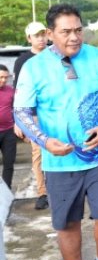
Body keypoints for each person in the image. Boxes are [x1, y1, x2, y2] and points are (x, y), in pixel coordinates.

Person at [13, 3, 98, 260]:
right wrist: (45, 141)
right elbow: (21, 112)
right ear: (50, 34)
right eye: (66, 32)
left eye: (78, 30)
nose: (74, 37)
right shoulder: (33, 68)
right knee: (66, 224)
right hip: (60, 162)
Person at [14, 21, 49, 210]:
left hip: (55, 112)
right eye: (37, 35)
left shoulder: (56, 56)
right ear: (29, 38)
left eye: (43, 34)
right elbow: (19, 93)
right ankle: (42, 193)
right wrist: (18, 120)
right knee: (38, 154)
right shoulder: (23, 61)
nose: (41, 38)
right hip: (34, 116)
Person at [0, 65, 16, 189]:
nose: (4, 80)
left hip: (9, 132)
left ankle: (6, 191)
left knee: (9, 164)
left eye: (6, 77)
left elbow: (17, 109)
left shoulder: (11, 91)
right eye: (1, 77)